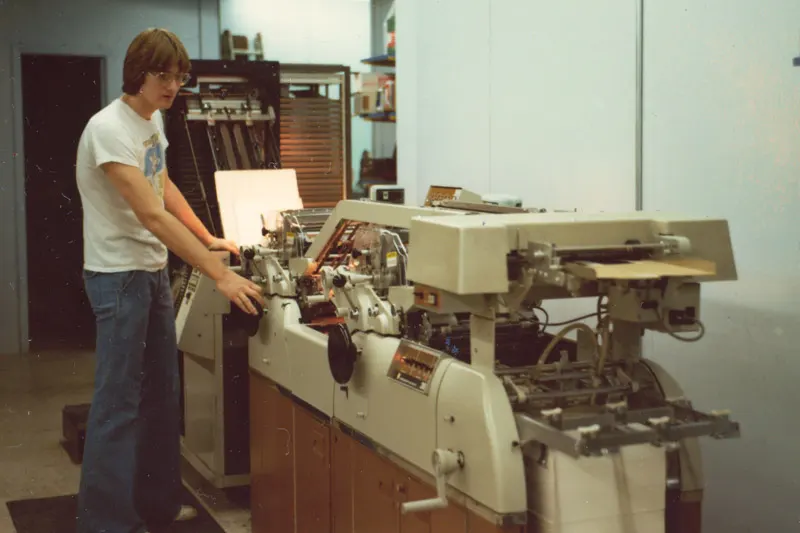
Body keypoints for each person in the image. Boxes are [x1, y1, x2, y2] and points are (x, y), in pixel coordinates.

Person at [74, 28, 265, 533]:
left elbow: (163, 185)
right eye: (165, 76)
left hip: (152, 273)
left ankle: (156, 505)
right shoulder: (108, 129)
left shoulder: (151, 120)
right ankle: (106, 523)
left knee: (163, 394)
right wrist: (217, 274)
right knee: (118, 404)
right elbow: (152, 216)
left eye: (180, 77)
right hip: (118, 279)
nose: (174, 86)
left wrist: (209, 237)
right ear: (138, 72)